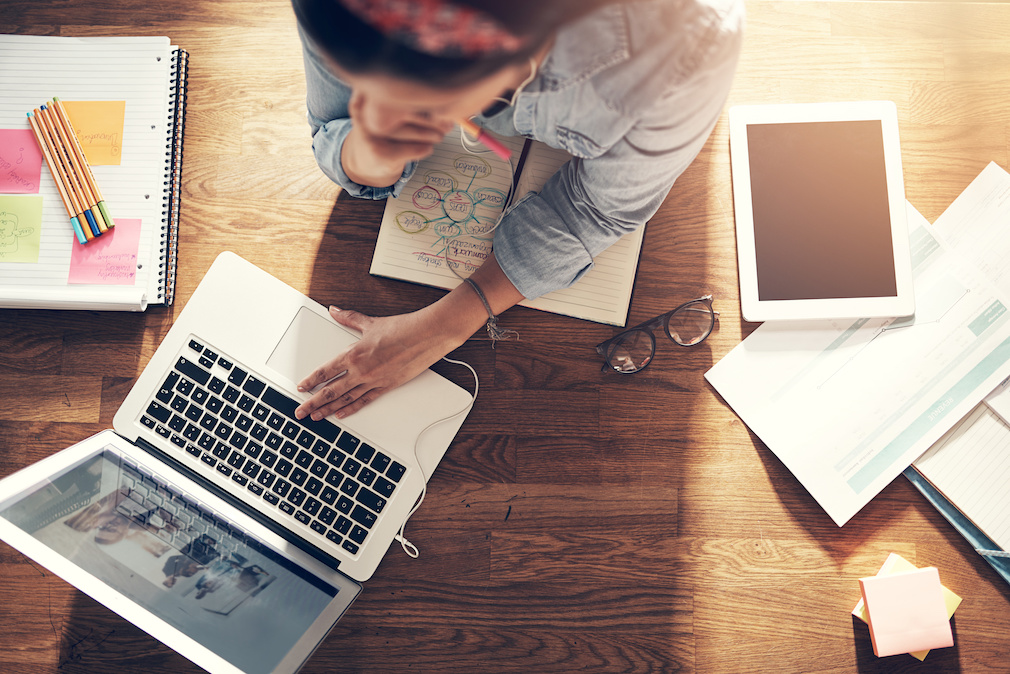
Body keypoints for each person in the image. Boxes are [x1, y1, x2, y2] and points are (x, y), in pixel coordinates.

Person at [291, 0, 744, 421]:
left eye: (432, 97)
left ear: (521, 58)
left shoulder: (689, 40)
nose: (394, 100)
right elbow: (334, 125)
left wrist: (441, 328)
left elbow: (596, 211)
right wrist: (370, 150)